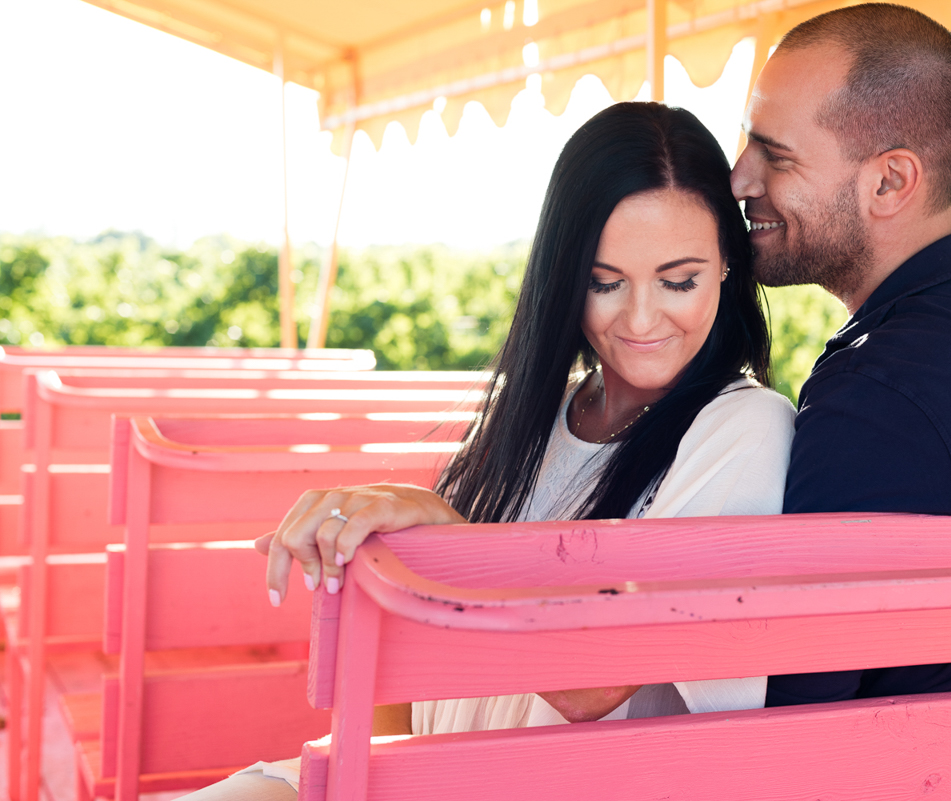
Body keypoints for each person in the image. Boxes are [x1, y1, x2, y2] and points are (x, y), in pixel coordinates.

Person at [181, 102, 795, 798]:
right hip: (416, 774)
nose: (643, 318)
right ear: (566, 279)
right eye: (605, 282)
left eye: (678, 280)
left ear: (726, 268)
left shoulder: (744, 428)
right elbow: (404, 669)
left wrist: (455, 540)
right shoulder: (533, 413)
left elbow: (596, 684)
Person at [731, 2, 951, 707]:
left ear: (890, 182)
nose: (739, 178)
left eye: (777, 155)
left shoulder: (881, 394)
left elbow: (793, 712)